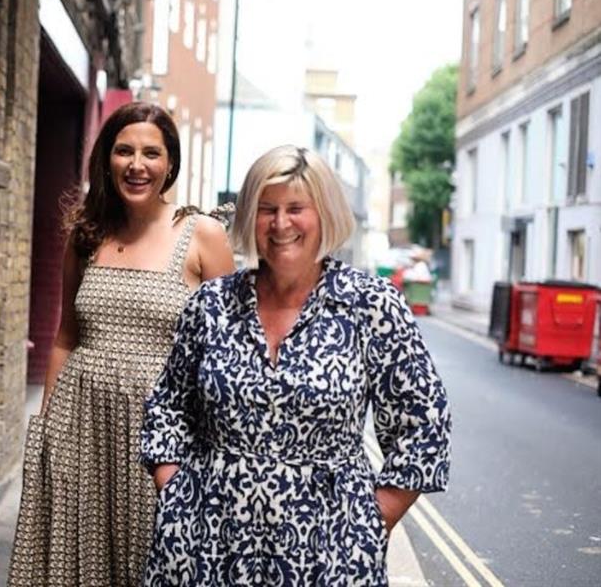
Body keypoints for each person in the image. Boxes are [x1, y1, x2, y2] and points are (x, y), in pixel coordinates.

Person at [141, 145, 451, 585]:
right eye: (267, 209)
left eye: (295, 208)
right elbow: (168, 406)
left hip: (328, 553)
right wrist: (175, 492)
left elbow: (424, 425)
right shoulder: (210, 304)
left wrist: (368, 523)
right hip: (205, 546)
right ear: (250, 216)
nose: (281, 224)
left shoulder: (371, 306)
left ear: (324, 214)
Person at [8, 102, 236, 586]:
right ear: (106, 160)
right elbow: (66, 335)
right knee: (77, 563)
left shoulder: (202, 235)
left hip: (163, 432)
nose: (137, 165)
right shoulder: (86, 235)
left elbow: (231, 354)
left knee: (152, 558)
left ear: (170, 163)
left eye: (151, 153)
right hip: (80, 422)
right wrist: (47, 427)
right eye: (124, 151)